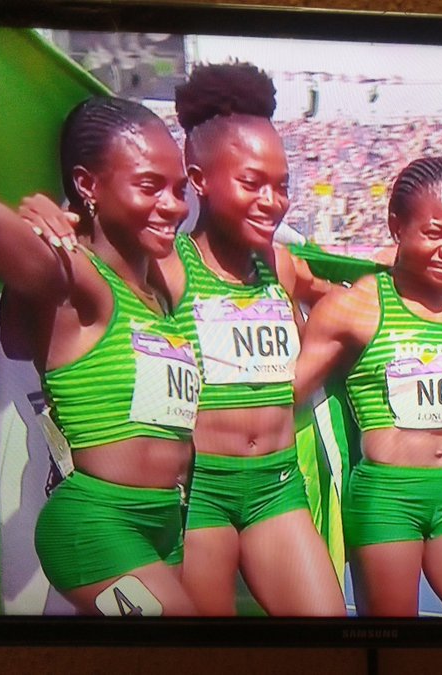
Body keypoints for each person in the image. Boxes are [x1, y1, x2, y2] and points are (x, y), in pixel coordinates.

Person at [0, 25, 201, 615]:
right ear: (87, 185)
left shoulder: (161, 287)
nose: (173, 206)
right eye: (150, 186)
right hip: (95, 532)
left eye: (179, 189)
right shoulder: (75, 279)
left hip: (165, 523)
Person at [295, 157, 442, 617]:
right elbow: (286, 398)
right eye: (435, 233)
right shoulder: (354, 307)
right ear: (396, 226)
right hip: (386, 502)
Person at [163, 62, 344, 616]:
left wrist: (306, 370)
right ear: (199, 179)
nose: (273, 201)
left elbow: (341, 297)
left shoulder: (282, 266)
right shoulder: (167, 269)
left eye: (281, 185)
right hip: (201, 497)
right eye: (252, 183)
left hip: (278, 485)